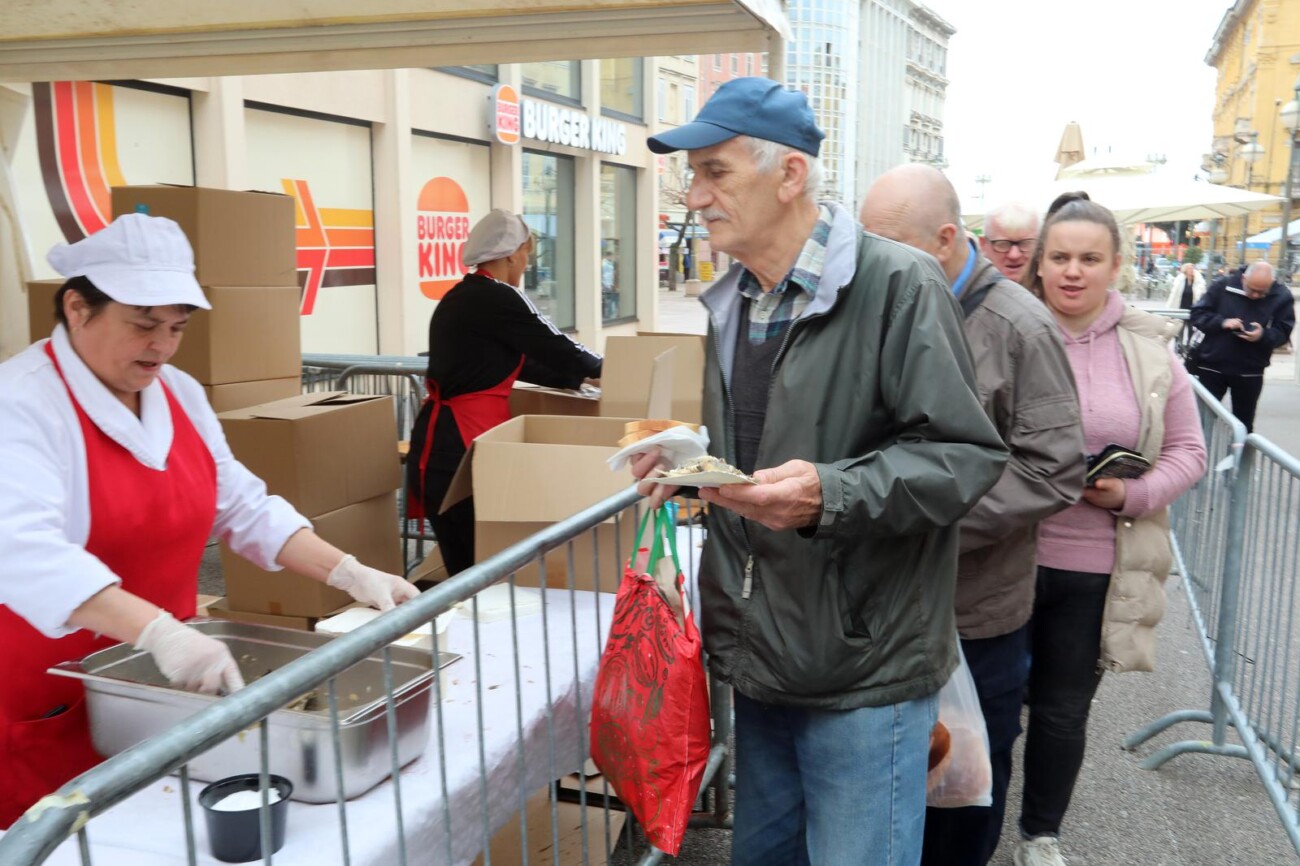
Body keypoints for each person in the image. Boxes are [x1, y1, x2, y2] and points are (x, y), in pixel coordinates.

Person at [635, 77, 1009, 865]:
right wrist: (694, 461)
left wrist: (827, 494)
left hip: (863, 666)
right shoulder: (734, 297)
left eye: (714, 172)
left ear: (790, 174)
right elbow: (775, 438)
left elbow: (964, 456)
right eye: (691, 174)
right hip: (760, 654)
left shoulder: (900, 283)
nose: (694, 195)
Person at [0, 214, 418, 828]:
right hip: (52, 692)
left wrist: (350, 573)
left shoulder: (179, 394)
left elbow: (243, 506)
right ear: (77, 308)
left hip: (164, 685)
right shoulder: (21, 402)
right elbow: (23, 551)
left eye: (175, 327)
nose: (162, 346)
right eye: (143, 325)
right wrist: (161, 633)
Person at [860, 164, 1085, 866]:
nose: (871, 259)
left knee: (965, 782)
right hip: (888, 598)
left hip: (975, 610)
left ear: (947, 238)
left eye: (886, 243)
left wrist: (930, 521)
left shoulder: (1020, 326)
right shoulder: (890, 302)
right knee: (890, 775)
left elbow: (1052, 468)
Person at [1013, 192, 1206, 866]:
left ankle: (1041, 834)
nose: (1073, 270)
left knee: (1063, 712)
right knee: (988, 703)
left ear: (1115, 266)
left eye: (1089, 258)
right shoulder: (1006, 331)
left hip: (1097, 567)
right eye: (1059, 256)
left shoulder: (1150, 353)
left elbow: (1190, 451)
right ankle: (963, 831)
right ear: (1038, 266)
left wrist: (1131, 492)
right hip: (1002, 558)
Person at [406, 209, 602, 576]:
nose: (527, 262)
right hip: (460, 447)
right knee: (479, 570)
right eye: (527, 253)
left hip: (441, 445)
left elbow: (518, 363)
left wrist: (579, 381)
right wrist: (607, 369)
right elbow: (554, 344)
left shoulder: (465, 297)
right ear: (511, 253)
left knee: (463, 566)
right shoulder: (498, 296)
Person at [1187, 261, 1295, 432]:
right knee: (1200, 424)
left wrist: (1262, 335)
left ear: (1271, 285)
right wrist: (1222, 323)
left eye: (1262, 293)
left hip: (1250, 371)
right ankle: (1197, 457)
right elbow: (1197, 314)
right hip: (1212, 365)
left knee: (1243, 425)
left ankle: (1239, 458)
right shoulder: (1223, 286)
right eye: (1252, 289)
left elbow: (1283, 332)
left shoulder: (1281, 295)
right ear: (1244, 278)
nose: (1255, 296)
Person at [980, 201, 1041, 284]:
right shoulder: (967, 293)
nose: (1014, 255)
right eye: (1003, 244)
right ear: (983, 245)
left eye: (1025, 243)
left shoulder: (1056, 293)